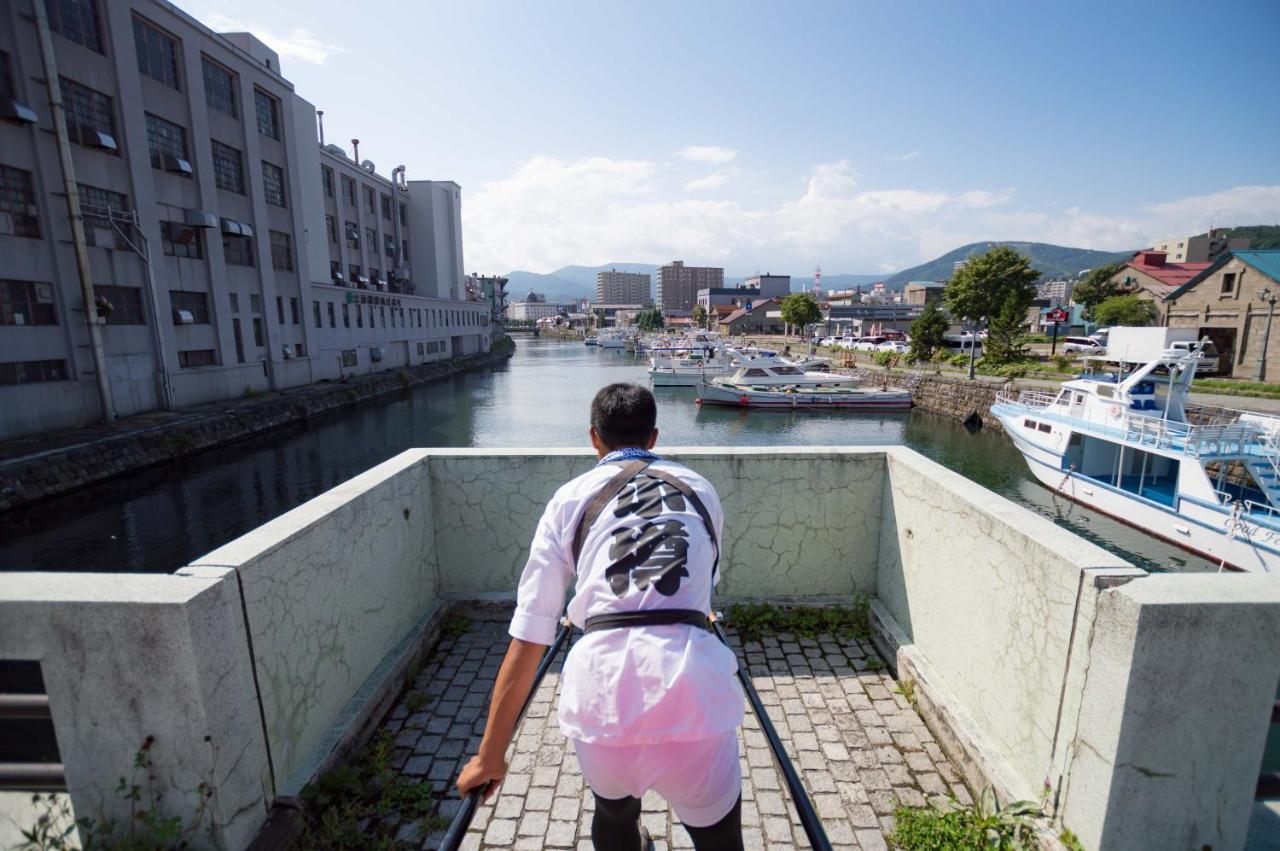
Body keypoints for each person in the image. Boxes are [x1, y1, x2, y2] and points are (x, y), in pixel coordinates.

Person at [457, 383, 745, 850]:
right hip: (693, 685)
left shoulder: (568, 499)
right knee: (721, 841)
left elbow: (529, 637)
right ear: (654, 437)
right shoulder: (700, 489)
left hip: (601, 694)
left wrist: (490, 756)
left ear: (594, 437)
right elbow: (702, 587)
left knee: (614, 811)